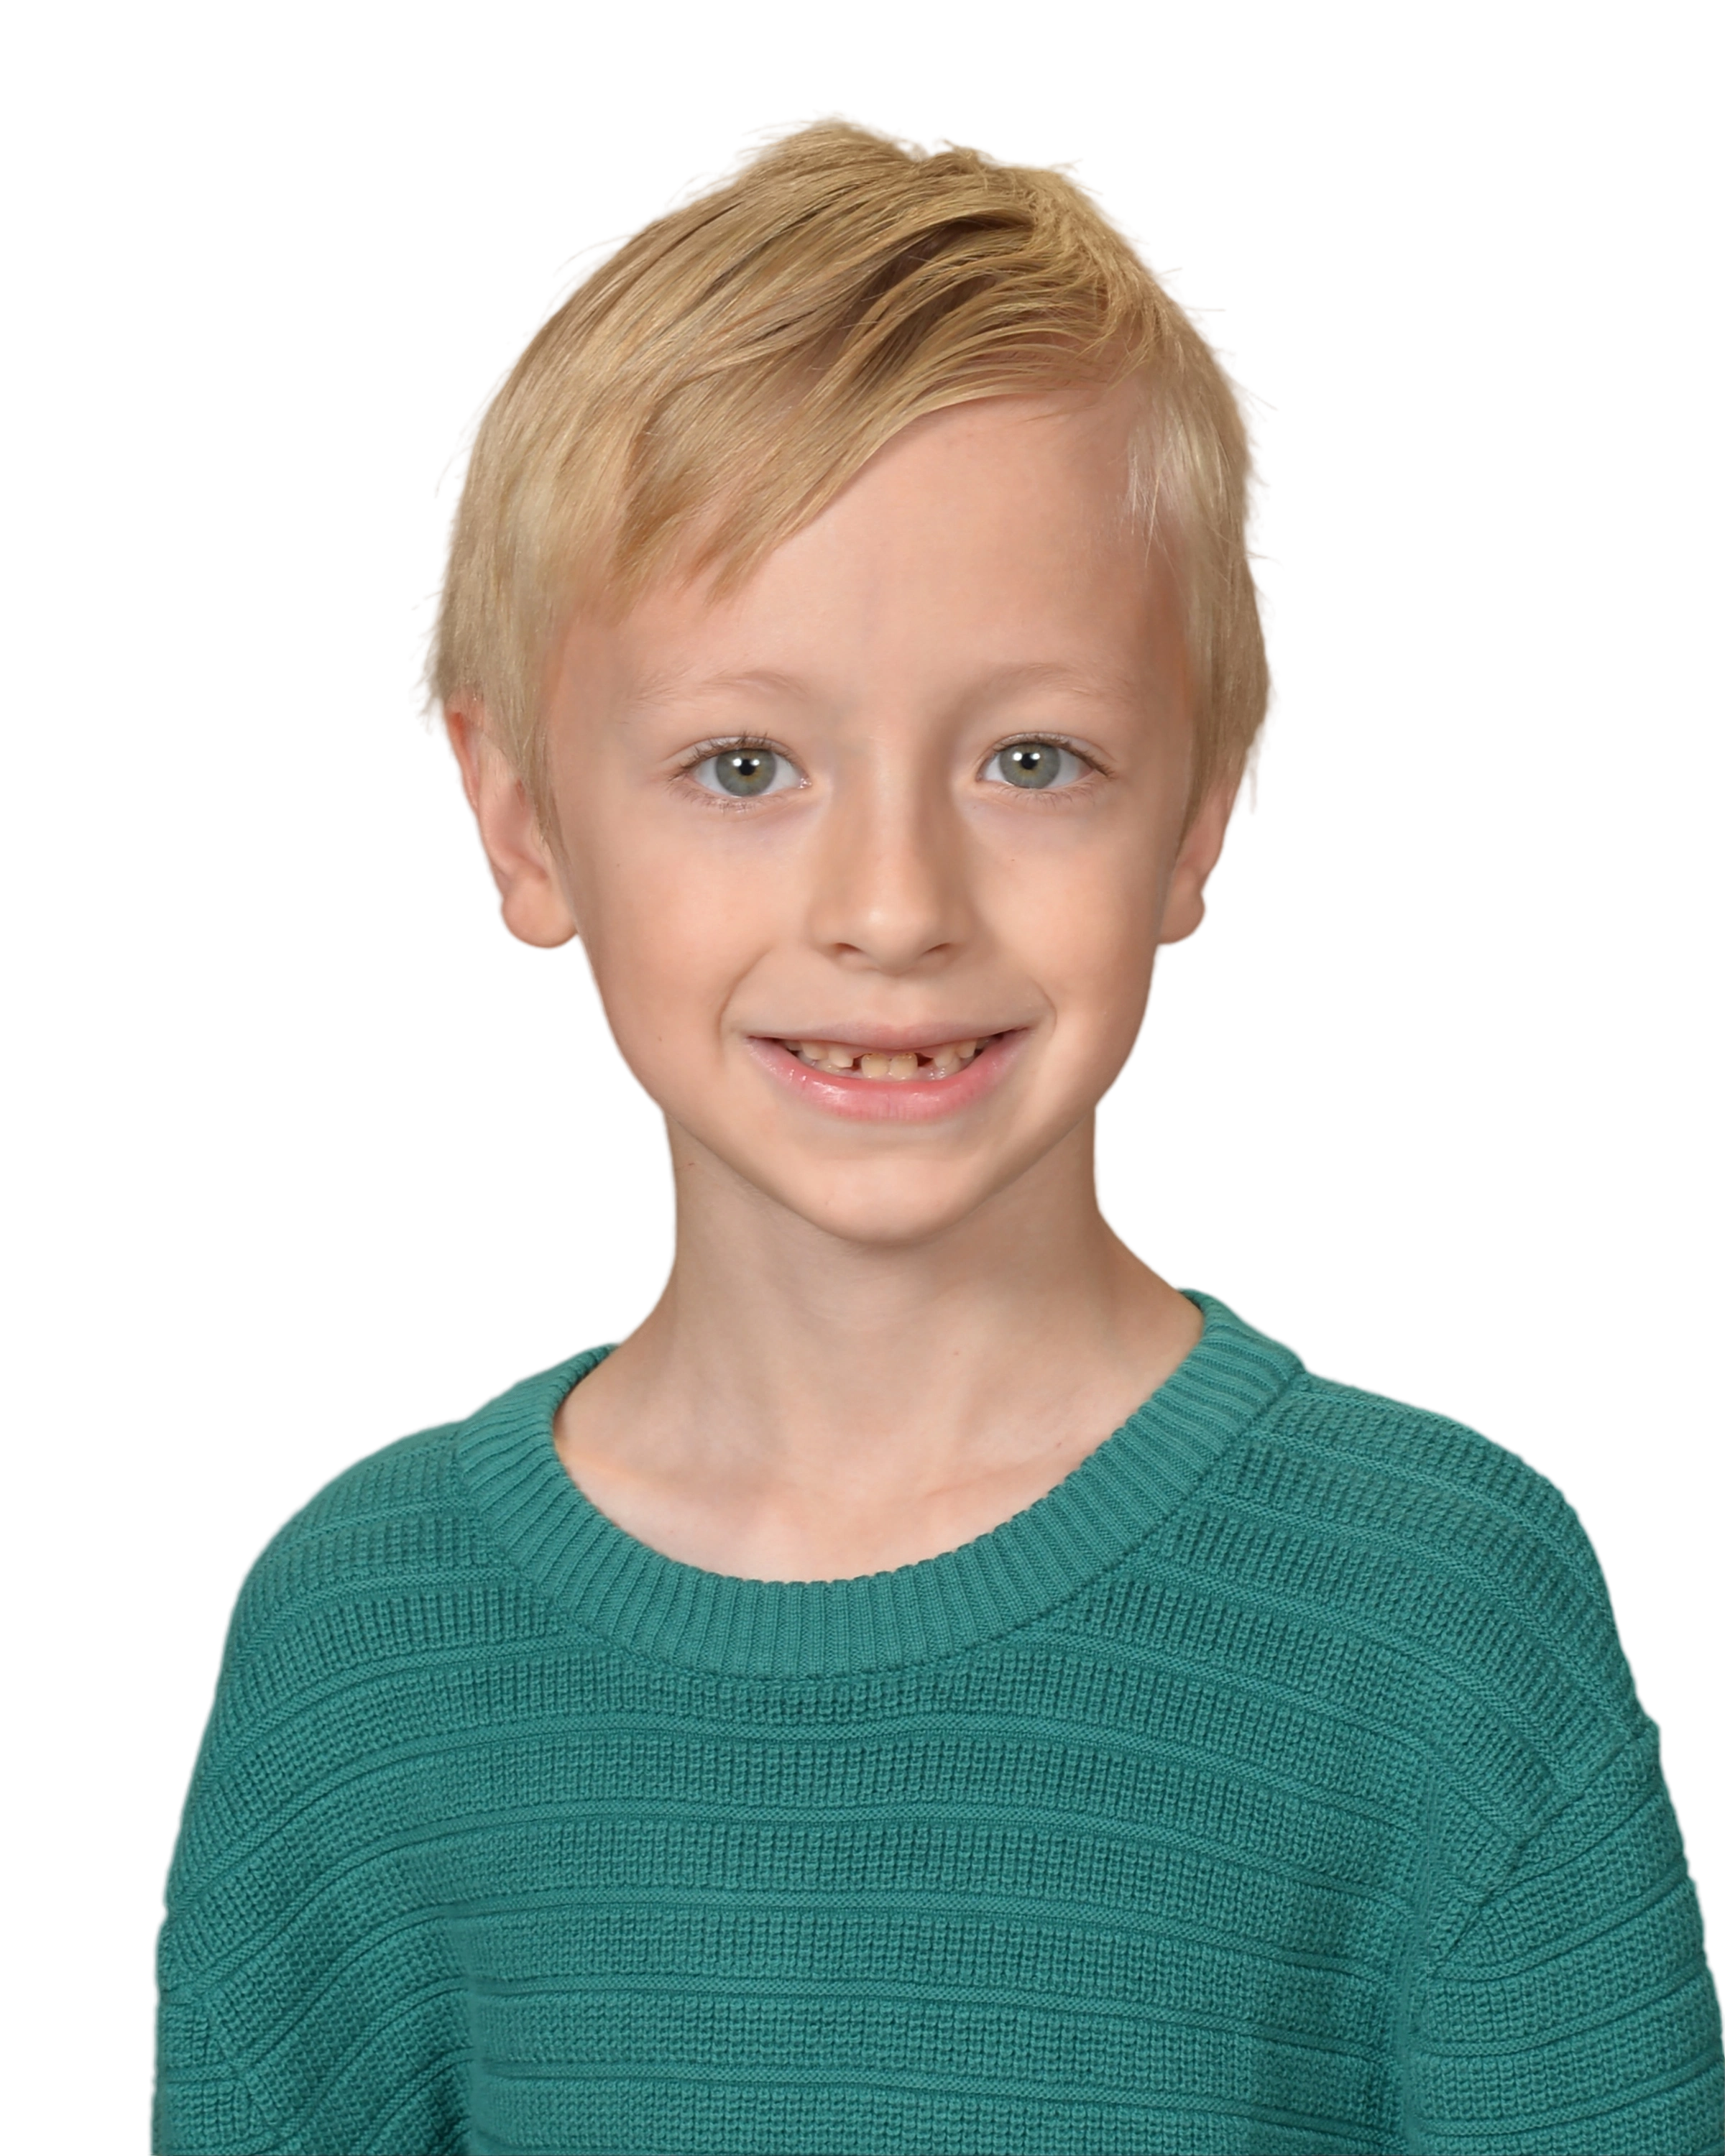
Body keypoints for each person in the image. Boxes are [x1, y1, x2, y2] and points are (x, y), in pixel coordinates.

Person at [147, 105, 1723, 2155]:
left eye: (1032, 759)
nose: (893, 907)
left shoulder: (1441, 1619)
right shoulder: (361, 1649)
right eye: (744, 763)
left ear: (1202, 817)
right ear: (520, 817)